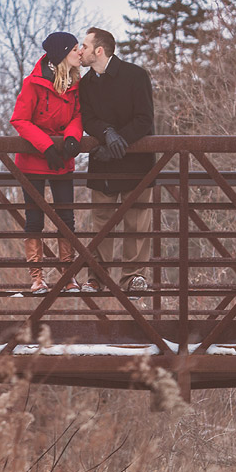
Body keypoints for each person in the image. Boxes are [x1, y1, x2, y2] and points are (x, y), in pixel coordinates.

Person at [78, 27, 155, 297]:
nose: (80, 50)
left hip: (136, 160)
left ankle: (134, 278)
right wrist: (106, 134)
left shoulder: (135, 75)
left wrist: (118, 141)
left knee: (137, 221)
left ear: (99, 50)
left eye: (84, 46)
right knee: (101, 221)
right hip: (103, 162)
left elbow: (145, 119)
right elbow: (87, 118)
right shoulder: (85, 84)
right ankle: (96, 277)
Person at [10, 32, 83, 294]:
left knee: (66, 219)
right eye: (75, 48)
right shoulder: (34, 83)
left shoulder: (75, 82)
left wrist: (72, 138)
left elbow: (77, 114)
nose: (80, 52)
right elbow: (19, 120)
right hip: (33, 161)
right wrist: (48, 146)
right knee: (34, 220)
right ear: (63, 53)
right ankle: (37, 278)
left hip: (62, 159)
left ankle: (68, 276)